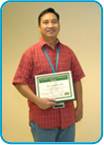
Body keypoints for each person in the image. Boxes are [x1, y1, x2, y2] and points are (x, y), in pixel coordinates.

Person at [12, 8, 85, 142]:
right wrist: (37, 100)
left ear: (59, 25)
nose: (50, 25)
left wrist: (80, 107)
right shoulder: (30, 53)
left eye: (54, 22)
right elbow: (19, 82)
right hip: (42, 121)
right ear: (39, 27)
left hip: (68, 120)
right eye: (45, 22)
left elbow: (77, 79)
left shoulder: (68, 52)